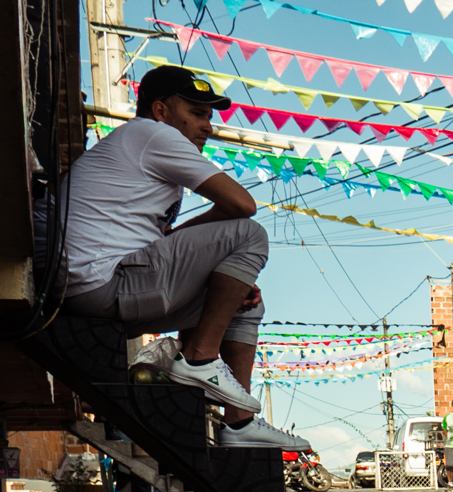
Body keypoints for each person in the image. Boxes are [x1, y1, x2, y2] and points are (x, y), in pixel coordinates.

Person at [59, 66, 307, 450]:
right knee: (249, 235)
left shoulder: (140, 148)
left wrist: (209, 261)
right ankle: (197, 361)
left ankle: (239, 426)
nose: (207, 126)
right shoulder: (152, 134)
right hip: (98, 280)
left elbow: (181, 237)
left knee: (241, 301)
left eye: (209, 116)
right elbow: (242, 204)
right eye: (196, 114)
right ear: (161, 110)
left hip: (98, 284)